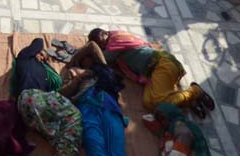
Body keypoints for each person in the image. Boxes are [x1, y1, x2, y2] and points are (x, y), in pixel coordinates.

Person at [69, 43, 140, 156]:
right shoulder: (74, 77)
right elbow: (63, 93)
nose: (85, 61)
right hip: (87, 115)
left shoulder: (103, 69)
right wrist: (77, 78)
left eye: (87, 59)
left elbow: (92, 45)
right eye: (82, 61)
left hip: (110, 111)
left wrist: (75, 58)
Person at [88, 28, 216, 117]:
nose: (102, 46)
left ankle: (195, 91)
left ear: (106, 33)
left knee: (160, 102)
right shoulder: (114, 42)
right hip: (152, 73)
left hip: (163, 65)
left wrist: (90, 49)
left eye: (101, 41)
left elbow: (105, 58)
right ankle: (187, 99)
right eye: (100, 45)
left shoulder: (116, 39)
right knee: (148, 103)